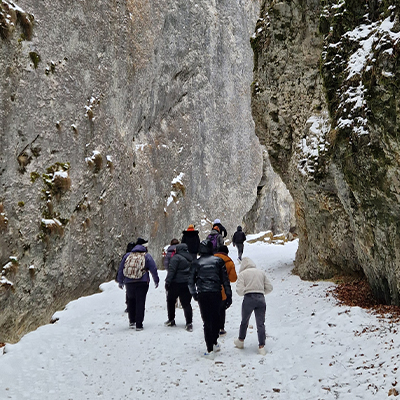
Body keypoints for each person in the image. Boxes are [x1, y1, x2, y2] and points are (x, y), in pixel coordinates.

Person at [188, 240, 232, 359]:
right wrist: (228, 295)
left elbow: (190, 281)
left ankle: (210, 349)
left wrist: (195, 294)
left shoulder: (196, 263)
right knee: (216, 317)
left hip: (203, 294)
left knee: (207, 321)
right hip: (216, 293)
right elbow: (225, 280)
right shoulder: (219, 261)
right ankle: (214, 341)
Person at [117, 237, 159, 331]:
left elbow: (121, 269)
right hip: (142, 282)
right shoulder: (146, 256)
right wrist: (156, 280)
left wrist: (120, 281)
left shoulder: (128, 255)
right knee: (140, 302)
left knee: (131, 300)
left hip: (129, 282)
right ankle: (139, 324)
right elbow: (153, 268)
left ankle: (132, 321)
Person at [233, 257, 273, 356]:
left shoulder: (243, 274)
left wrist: (246, 292)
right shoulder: (261, 272)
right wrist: (261, 292)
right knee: (261, 323)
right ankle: (261, 346)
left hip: (248, 298)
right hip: (261, 298)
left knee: (244, 321)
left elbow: (239, 290)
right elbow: (270, 287)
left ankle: (241, 340)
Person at [164, 243, 193, 331]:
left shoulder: (176, 258)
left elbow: (172, 270)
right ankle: (189, 323)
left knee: (171, 301)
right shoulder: (190, 258)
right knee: (186, 303)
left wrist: (168, 281)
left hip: (175, 283)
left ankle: (171, 319)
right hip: (187, 283)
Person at [214, 245, 237, 336]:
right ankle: (221, 328)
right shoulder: (229, 262)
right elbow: (233, 278)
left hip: (210, 287)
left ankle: (212, 326)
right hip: (222, 289)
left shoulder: (211, 259)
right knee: (221, 309)